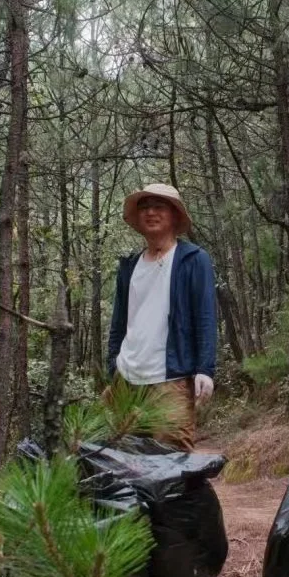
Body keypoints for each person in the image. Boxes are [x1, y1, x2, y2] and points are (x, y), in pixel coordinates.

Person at [107, 183, 217, 451]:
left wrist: (205, 369)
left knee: (172, 464)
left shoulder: (193, 259)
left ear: (175, 215)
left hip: (172, 380)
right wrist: (112, 366)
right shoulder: (129, 265)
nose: (150, 212)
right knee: (127, 463)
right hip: (127, 378)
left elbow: (205, 316)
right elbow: (119, 322)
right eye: (144, 207)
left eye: (159, 207)